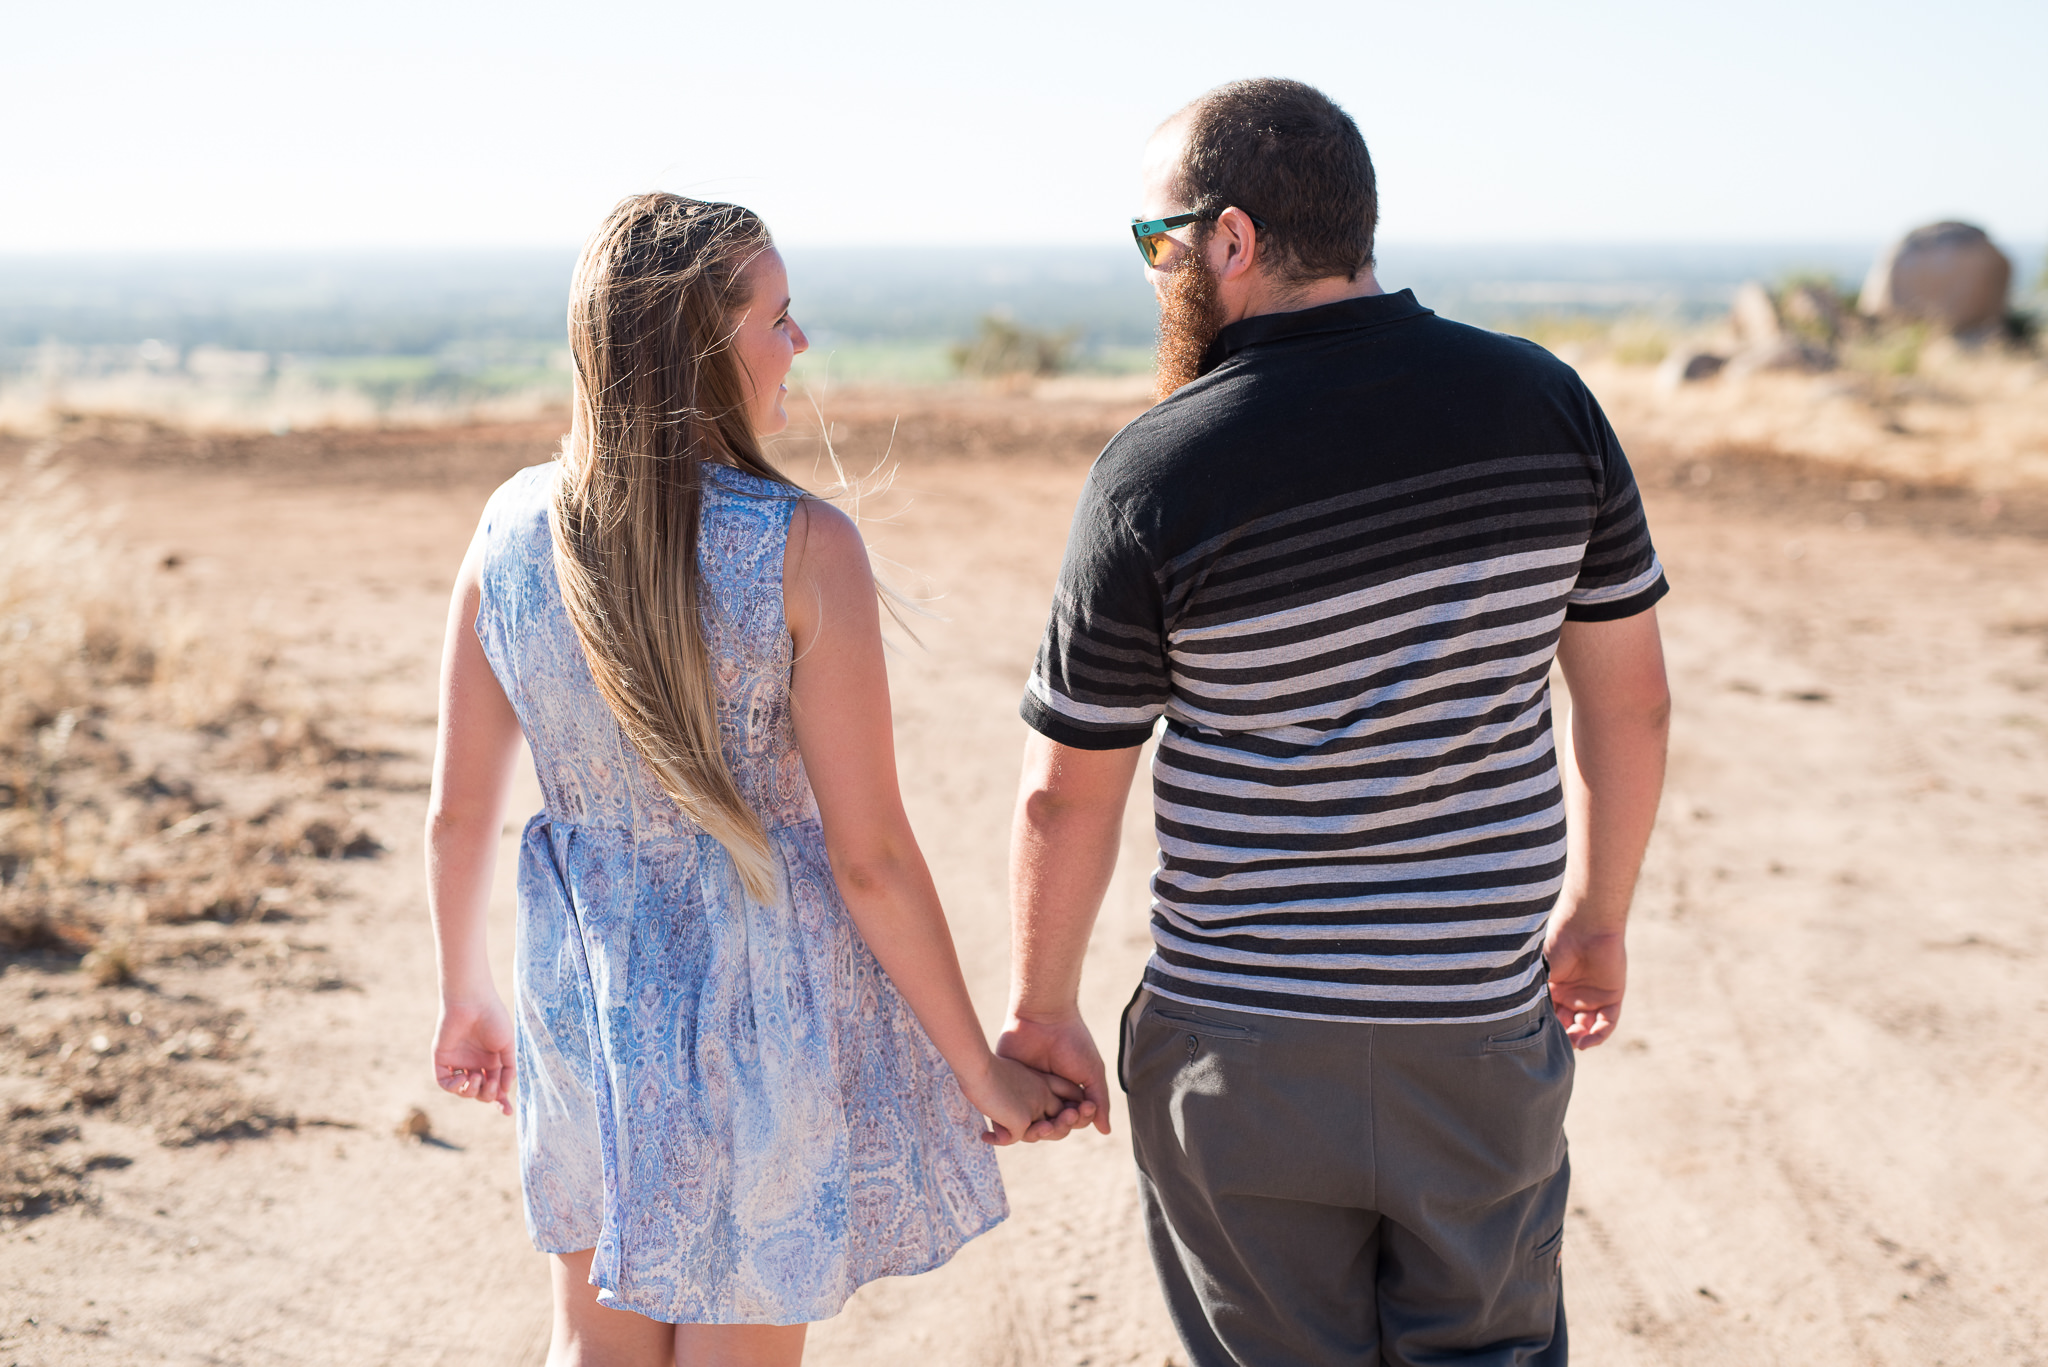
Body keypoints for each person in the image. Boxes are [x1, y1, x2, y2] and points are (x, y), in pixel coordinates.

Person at [999, 80, 1672, 1365]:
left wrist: (1041, 1009)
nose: (1156, 274)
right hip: (1473, 1028)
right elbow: (1627, 700)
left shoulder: (1155, 471)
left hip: (1237, 1050)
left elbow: (1062, 789)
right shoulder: (1543, 405)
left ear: (1231, 240)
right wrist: (1593, 919)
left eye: (1158, 243)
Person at [424, 193, 1081, 1367]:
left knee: (594, 1341)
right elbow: (868, 857)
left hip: (586, 999)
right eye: (779, 317)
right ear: (702, 349)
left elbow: (457, 813)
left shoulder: (506, 528)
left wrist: (464, 994)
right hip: (756, 1009)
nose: (799, 344)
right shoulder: (797, 544)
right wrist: (976, 1068)